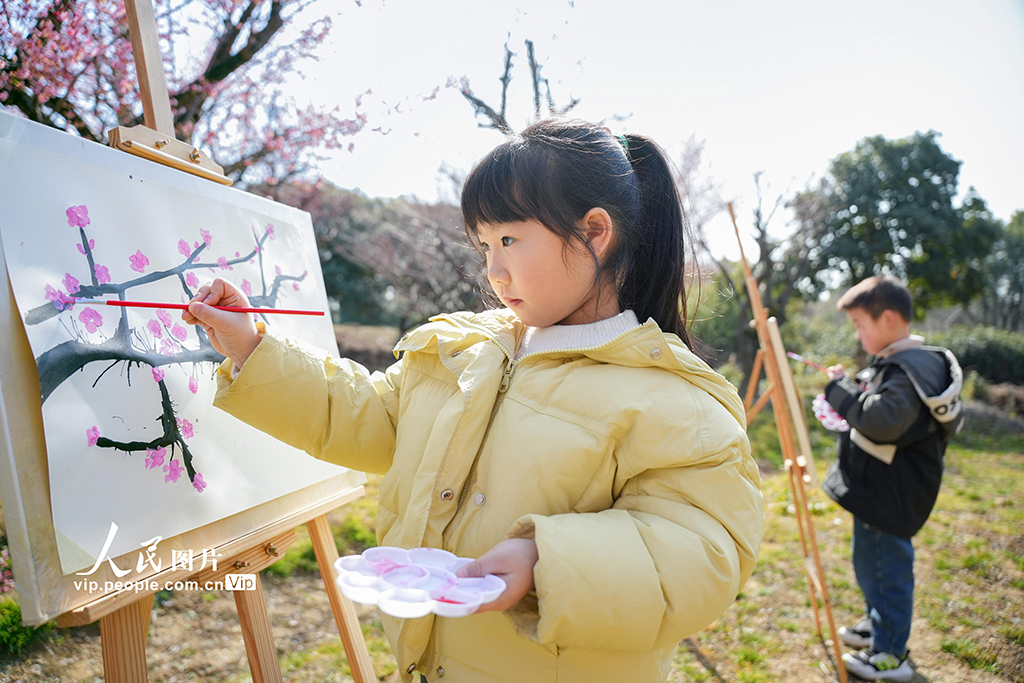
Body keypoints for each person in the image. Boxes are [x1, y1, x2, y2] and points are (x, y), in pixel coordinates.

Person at [183, 118, 764, 683]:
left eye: (510, 239)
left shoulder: (669, 397)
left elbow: (700, 551)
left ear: (593, 232)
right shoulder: (464, 350)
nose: (494, 270)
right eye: (484, 245)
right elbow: (369, 413)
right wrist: (254, 349)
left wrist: (547, 563)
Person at [822, 276, 964, 682]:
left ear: (887, 319)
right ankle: (878, 622)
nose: (857, 333)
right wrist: (854, 387)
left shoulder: (907, 370)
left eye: (859, 324)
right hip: (882, 493)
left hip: (891, 496)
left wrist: (841, 392)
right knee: (871, 565)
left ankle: (890, 655)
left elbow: (883, 420)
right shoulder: (907, 364)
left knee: (887, 571)